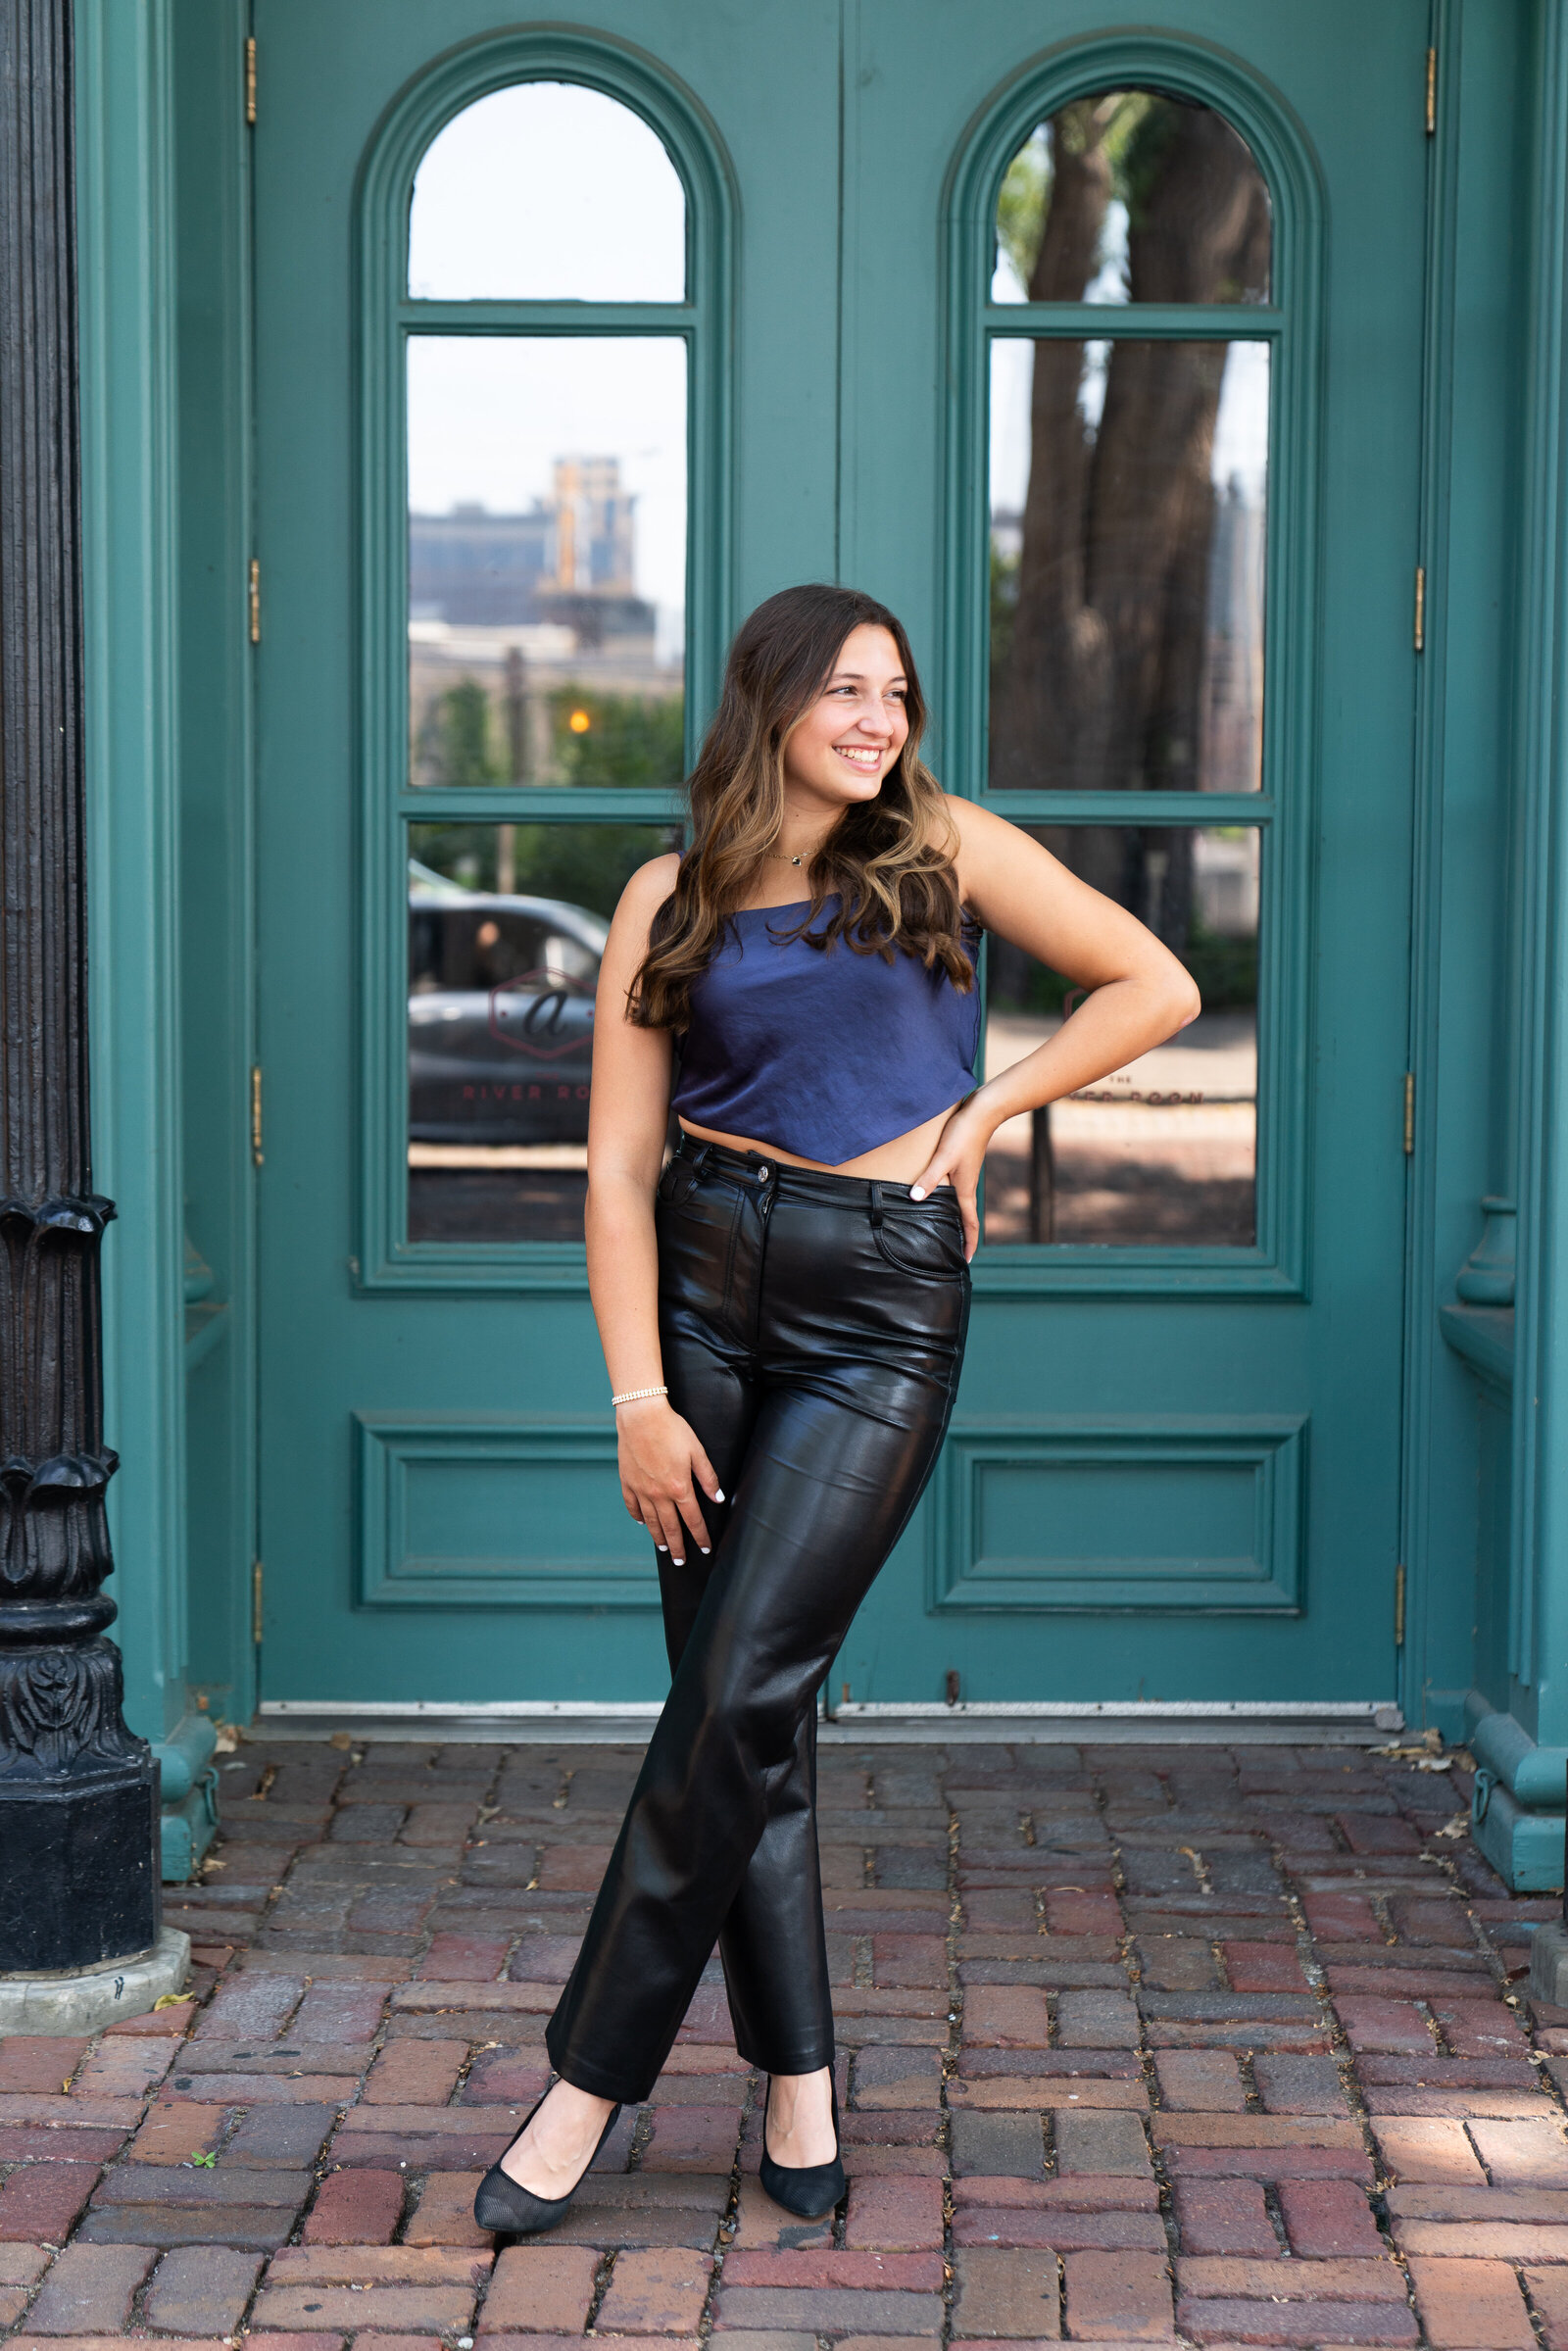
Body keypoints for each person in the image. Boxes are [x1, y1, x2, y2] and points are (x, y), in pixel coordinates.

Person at [473, 583, 1200, 2236]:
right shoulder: (675, 893)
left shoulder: (944, 847)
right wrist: (637, 1399)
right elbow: (613, 1171)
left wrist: (990, 1111)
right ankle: (798, 2079)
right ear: (772, 703)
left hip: (881, 1306)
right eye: (847, 692)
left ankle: (586, 2082)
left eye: (897, 694)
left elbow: (1149, 985)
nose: (879, 720)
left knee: (736, 1692)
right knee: (751, 1722)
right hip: (706, 1295)